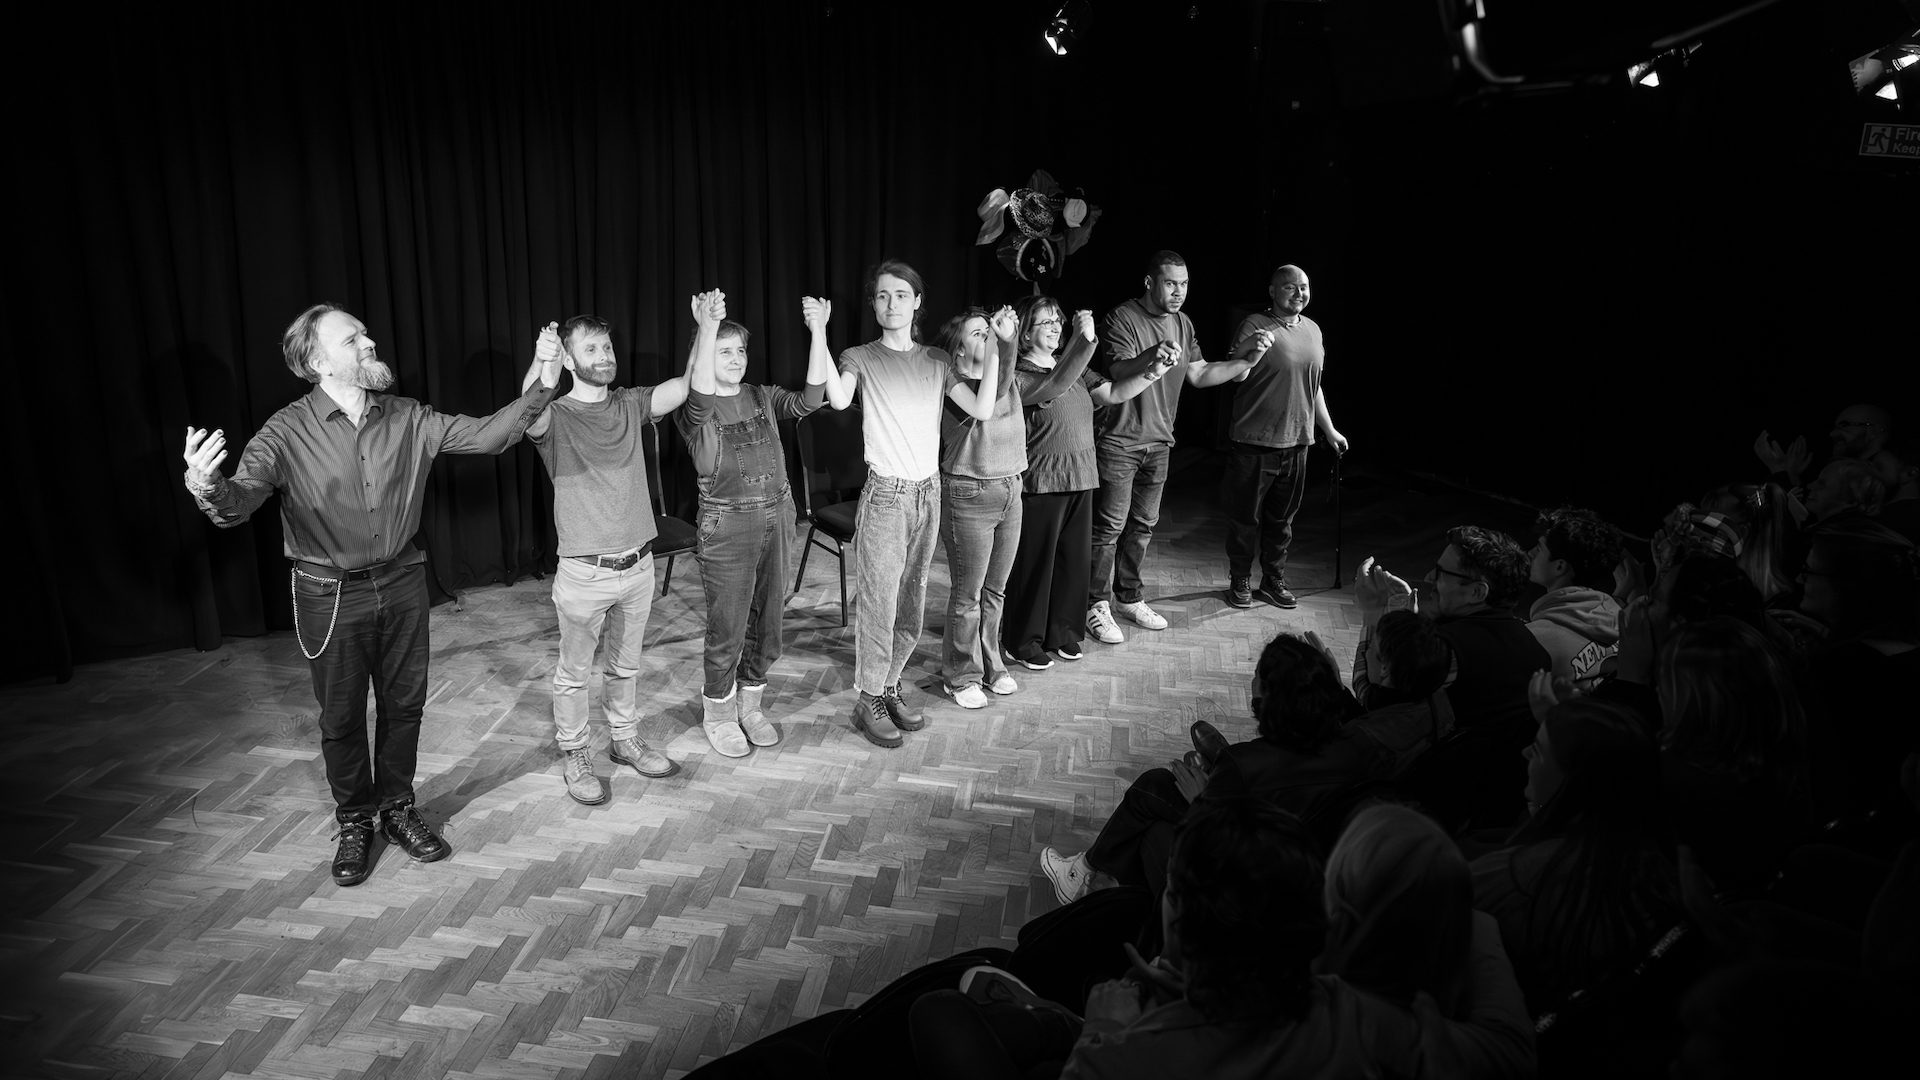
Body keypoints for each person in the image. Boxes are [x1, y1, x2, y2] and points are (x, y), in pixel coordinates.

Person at [183, 303, 559, 886]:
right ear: (316, 361)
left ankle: (398, 808)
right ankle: (356, 819)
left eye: (365, 333)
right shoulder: (285, 432)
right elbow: (239, 502)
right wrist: (207, 486)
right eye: (352, 338)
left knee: (405, 705)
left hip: (404, 583)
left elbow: (488, 436)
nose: (368, 342)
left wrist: (542, 381)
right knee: (340, 717)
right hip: (328, 594)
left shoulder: (409, 416)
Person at [1038, 630, 1378, 905]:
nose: (1252, 681)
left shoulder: (1246, 763)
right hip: (1305, 865)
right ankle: (1100, 881)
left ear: (1269, 698)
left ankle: (1089, 877)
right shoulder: (1355, 744)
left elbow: (1222, 838)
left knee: (1155, 788)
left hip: (1242, 880)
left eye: (1257, 677)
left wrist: (1203, 799)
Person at [524, 306, 694, 804]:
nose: (605, 356)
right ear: (571, 360)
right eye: (592, 349)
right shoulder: (553, 417)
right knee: (573, 673)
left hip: (639, 565)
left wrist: (704, 330)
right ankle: (575, 752)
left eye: (608, 346)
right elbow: (526, 410)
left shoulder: (628, 404)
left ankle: (624, 739)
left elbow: (683, 389)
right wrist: (541, 362)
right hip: (584, 572)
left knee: (626, 665)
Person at [674, 291, 829, 756]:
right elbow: (700, 394)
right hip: (728, 525)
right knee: (729, 625)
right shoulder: (693, 409)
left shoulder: (761, 395)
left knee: (770, 621)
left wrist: (819, 330)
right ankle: (719, 710)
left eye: (741, 350)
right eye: (725, 351)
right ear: (704, 357)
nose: (738, 358)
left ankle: (751, 702)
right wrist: (706, 328)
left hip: (777, 515)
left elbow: (813, 398)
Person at [1470, 698, 1682, 1014]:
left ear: (1574, 784)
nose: (1525, 753)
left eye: (1538, 750)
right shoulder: (1655, 859)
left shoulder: (1511, 879)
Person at [1085, 251, 1249, 645]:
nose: (1179, 292)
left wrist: (1249, 360)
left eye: (1185, 284)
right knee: (1109, 528)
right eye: (1171, 283)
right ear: (1149, 282)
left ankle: (1129, 597)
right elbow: (1119, 372)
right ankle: (1094, 603)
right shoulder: (1121, 318)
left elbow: (1200, 372)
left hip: (1160, 441)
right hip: (1120, 441)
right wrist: (1151, 356)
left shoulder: (1183, 322)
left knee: (1142, 526)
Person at [819, 259, 949, 747]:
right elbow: (837, 399)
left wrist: (1001, 346)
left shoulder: (938, 359)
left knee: (912, 600)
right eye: (882, 295)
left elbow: (980, 407)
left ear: (917, 302)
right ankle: (868, 696)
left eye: (901, 295)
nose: (891, 304)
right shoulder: (859, 356)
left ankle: (890, 682)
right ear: (873, 304)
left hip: (928, 491)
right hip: (888, 495)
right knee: (880, 601)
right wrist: (819, 333)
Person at [1001, 296, 1162, 671]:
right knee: (1035, 566)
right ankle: (1023, 640)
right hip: (1041, 481)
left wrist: (1152, 371)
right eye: (1046, 322)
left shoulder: (1070, 367)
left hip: (1082, 476)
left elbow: (1115, 393)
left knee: (1072, 563)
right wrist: (1082, 341)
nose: (1056, 326)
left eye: (1058, 320)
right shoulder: (1020, 374)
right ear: (1025, 333)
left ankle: (1063, 632)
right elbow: (1056, 385)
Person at [1216, 264, 1349, 610]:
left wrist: (1329, 429)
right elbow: (1236, 376)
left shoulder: (1314, 330)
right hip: (1254, 442)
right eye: (1290, 288)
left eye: (1304, 287)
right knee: (1245, 519)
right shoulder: (1254, 325)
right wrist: (1251, 349)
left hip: (1297, 443)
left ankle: (1273, 579)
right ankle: (1240, 579)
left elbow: (1312, 385)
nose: (1299, 293)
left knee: (1282, 522)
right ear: (1273, 291)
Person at [934, 306, 1024, 709]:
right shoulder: (954, 387)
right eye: (978, 332)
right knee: (967, 594)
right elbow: (998, 382)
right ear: (956, 350)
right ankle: (960, 674)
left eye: (989, 330)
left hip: (1011, 489)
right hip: (968, 493)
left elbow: (1033, 379)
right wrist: (1005, 343)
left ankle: (992, 663)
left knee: (996, 590)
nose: (987, 335)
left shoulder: (1007, 380)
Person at [1524, 506, 1625, 690]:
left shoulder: (1533, 639)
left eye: (1539, 549)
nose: (1530, 553)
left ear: (1560, 567)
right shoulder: (1621, 620)